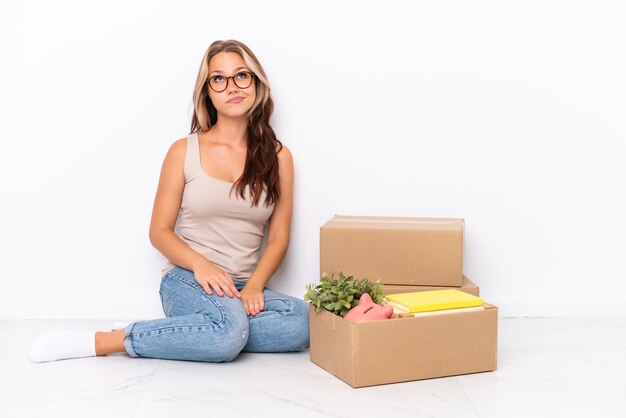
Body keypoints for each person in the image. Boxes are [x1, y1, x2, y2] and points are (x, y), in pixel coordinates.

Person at [29, 39, 310, 363]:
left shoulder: (279, 157)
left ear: (257, 83)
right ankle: (110, 340)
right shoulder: (183, 151)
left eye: (242, 75)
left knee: (300, 322)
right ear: (207, 91)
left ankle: (193, 331)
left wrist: (255, 286)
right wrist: (202, 266)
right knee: (228, 333)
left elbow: (278, 237)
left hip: (243, 286)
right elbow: (159, 231)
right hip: (188, 279)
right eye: (219, 78)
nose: (231, 86)